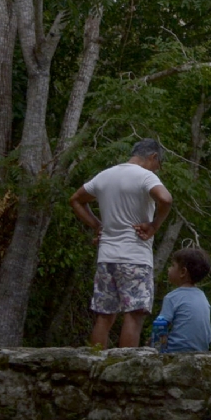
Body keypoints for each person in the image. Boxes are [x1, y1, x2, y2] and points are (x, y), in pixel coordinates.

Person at [69, 138, 174, 348]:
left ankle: (94, 365)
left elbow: (76, 200)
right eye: (158, 164)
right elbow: (166, 199)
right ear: (153, 157)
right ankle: (125, 372)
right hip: (135, 257)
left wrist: (97, 226)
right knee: (133, 316)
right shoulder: (145, 176)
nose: (157, 169)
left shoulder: (105, 175)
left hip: (107, 256)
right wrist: (154, 226)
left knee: (104, 316)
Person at [153, 247, 211, 353]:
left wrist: (156, 348)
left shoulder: (172, 297)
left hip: (176, 350)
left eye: (172, 266)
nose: (169, 269)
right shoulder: (202, 296)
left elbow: (160, 326)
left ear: (182, 272)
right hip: (201, 351)